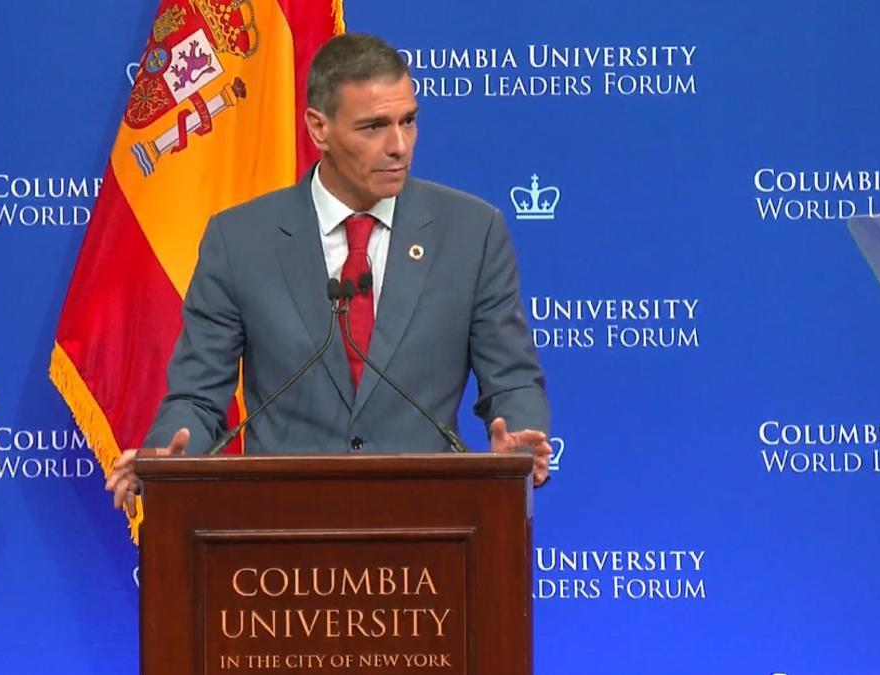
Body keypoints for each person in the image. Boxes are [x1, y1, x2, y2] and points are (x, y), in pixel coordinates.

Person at [107, 34, 551, 514]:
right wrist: (166, 459)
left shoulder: (471, 233)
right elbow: (197, 396)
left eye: (408, 121)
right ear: (319, 129)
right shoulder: (240, 241)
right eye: (373, 127)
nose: (399, 146)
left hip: (429, 525)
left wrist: (519, 438)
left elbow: (511, 379)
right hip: (281, 528)